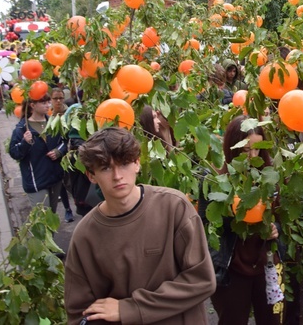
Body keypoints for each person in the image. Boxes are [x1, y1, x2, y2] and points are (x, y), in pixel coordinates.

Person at [64, 127, 216, 324]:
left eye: (124, 163)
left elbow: (202, 280)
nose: (117, 175)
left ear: (137, 163)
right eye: (106, 168)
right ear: (91, 175)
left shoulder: (174, 207)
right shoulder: (85, 235)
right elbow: (80, 313)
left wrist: (130, 308)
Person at [199, 115, 282, 325]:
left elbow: (281, 216)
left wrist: (275, 229)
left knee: (272, 319)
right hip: (231, 268)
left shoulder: (270, 179)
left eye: (257, 149)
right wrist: (237, 217)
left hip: (266, 265)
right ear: (232, 148)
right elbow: (208, 226)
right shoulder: (216, 182)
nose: (252, 155)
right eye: (246, 150)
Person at [8, 94, 66, 211]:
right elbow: (14, 153)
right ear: (32, 105)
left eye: (48, 102)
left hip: (55, 177)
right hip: (36, 180)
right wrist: (25, 142)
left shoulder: (53, 123)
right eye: (43, 103)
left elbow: (64, 142)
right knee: (43, 218)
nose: (48, 105)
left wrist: (59, 151)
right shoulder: (22, 129)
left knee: (52, 213)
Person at [50, 87, 74, 222]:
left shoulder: (68, 113)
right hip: (55, 155)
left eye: (60, 98)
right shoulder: (50, 115)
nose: (58, 101)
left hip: (68, 153)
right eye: (55, 98)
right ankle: (67, 209)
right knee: (60, 184)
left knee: (70, 182)